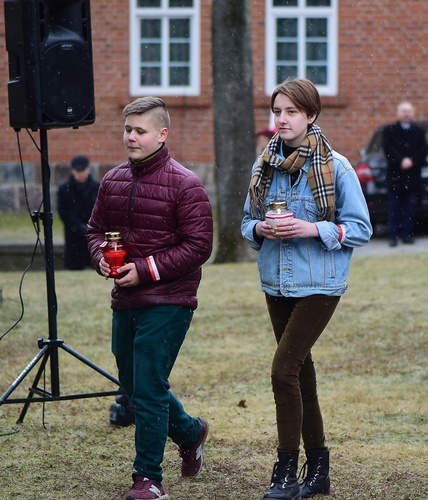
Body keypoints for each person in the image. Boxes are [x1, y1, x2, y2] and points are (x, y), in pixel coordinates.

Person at [241, 77, 372, 499]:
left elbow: (360, 228)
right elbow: (246, 222)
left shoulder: (336, 165)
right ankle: (318, 472)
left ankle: (284, 474)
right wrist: (260, 227)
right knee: (302, 376)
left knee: (283, 371)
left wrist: (309, 228)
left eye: (291, 112)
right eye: (277, 111)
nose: (281, 119)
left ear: (311, 115)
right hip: (276, 283)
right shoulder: (264, 166)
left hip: (320, 284)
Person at [86, 96, 213, 500]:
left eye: (140, 131)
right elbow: (94, 231)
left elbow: (199, 246)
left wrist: (147, 269)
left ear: (162, 134)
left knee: (150, 386)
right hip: (125, 301)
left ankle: (148, 480)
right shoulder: (111, 180)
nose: (131, 138)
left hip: (170, 299)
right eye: (127, 130)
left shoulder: (186, 184)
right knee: (132, 382)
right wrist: (101, 260)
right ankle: (191, 432)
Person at [382, 101, 428, 246]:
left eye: (409, 111)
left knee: (410, 207)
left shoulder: (419, 132)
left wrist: (412, 160)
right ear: (398, 113)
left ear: (413, 114)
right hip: (395, 176)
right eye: (403, 111)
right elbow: (388, 149)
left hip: (413, 176)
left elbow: (423, 150)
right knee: (394, 207)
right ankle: (393, 236)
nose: (406, 114)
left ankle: (407, 234)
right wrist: (401, 160)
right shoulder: (389, 130)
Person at [57, 155, 99, 270]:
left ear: (88, 169)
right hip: (73, 235)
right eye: (77, 171)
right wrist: (78, 226)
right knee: (74, 266)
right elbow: (63, 212)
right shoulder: (64, 189)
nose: (80, 174)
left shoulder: (97, 188)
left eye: (83, 170)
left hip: (92, 234)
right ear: (72, 171)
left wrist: (91, 226)